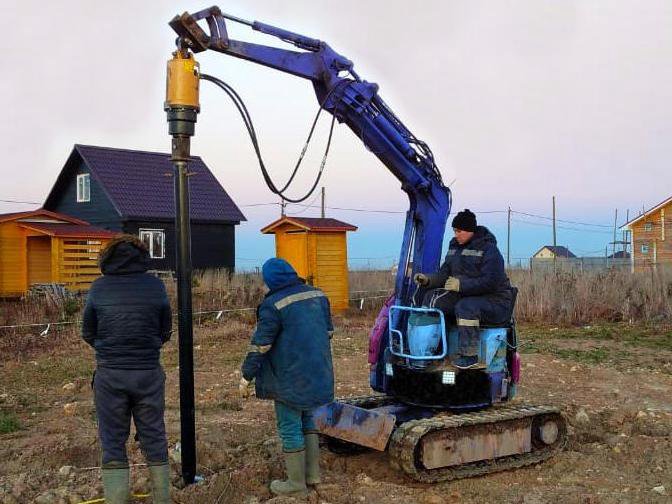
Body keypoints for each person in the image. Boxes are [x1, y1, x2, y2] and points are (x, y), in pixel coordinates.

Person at [82, 235, 172, 504]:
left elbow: (88, 332)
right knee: (154, 434)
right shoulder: (155, 286)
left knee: (112, 440)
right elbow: (165, 330)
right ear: (143, 256)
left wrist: (109, 350)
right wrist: (148, 347)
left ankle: (117, 499)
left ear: (106, 258)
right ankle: (161, 499)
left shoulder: (98, 288)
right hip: (147, 372)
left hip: (110, 374)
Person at [240, 258, 334, 497]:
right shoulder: (318, 295)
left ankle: (295, 484)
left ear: (271, 280)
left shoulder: (273, 305)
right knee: (309, 421)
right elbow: (328, 332)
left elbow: (261, 345)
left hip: (289, 378)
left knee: (290, 427)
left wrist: (246, 375)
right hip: (318, 373)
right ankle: (313, 476)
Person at [414, 209, 512, 367]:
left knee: (466, 307)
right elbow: (445, 273)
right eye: (454, 231)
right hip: (468, 294)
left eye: (459, 231)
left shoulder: (489, 250)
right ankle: (435, 350)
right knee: (431, 299)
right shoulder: (455, 247)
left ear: (469, 230)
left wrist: (461, 285)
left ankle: (469, 354)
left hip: (496, 300)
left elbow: (491, 282)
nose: (456, 234)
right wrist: (428, 280)